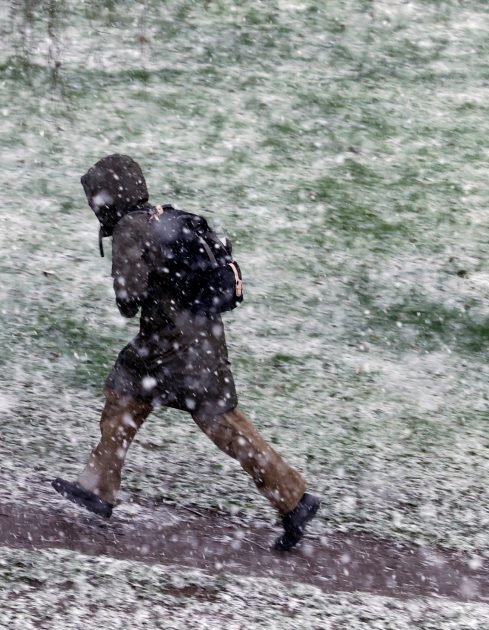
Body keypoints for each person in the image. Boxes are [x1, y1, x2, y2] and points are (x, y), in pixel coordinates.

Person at [52, 154, 321, 552]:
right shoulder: (162, 217)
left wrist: (130, 276)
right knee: (125, 397)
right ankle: (97, 487)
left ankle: (293, 498)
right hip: (188, 337)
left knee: (221, 425)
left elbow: (128, 299)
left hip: (174, 344)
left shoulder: (130, 228)